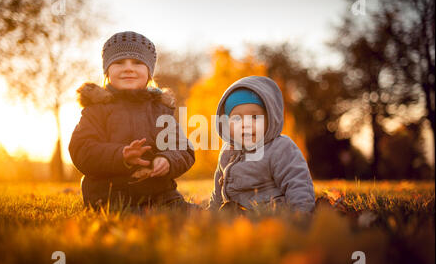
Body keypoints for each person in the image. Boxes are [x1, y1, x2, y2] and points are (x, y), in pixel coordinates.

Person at [69, 31, 195, 211]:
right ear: (107, 71)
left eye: (137, 63)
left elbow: (183, 149)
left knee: (193, 216)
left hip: (160, 194)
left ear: (149, 73)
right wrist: (121, 155)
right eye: (119, 62)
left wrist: (167, 160)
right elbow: (82, 150)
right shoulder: (97, 109)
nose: (128, 68)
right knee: (133, 218)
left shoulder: (160, 110)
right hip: (110, 196)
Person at [207, 76, 315, 213]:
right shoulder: (228, 151)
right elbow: (218, 189)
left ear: (269, 118)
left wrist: (301, 214)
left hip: (271, 214)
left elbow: (297, 183)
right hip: (237, 216)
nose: (245, 124)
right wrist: (211, 213)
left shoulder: (280, 148)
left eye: (254, 117)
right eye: (236, 118)